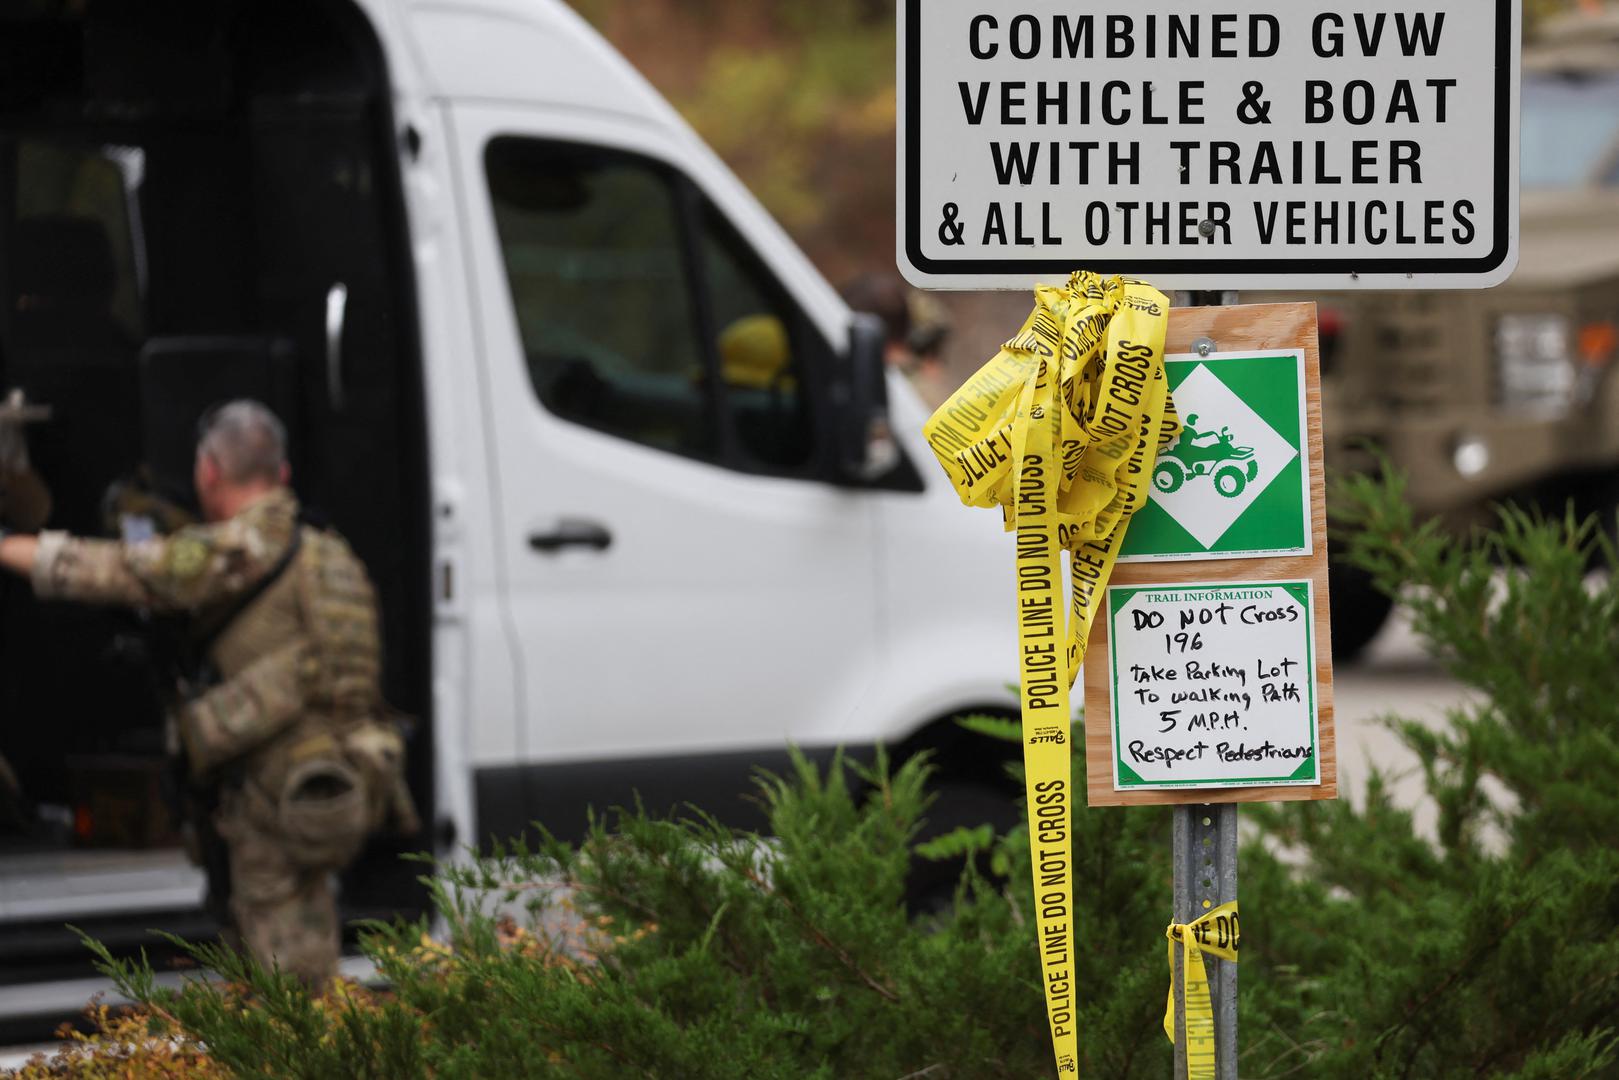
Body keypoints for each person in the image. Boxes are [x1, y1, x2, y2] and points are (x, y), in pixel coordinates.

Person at [0, 400, 414, 987]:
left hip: (272, 792)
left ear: (210, 472)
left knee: (285, 988)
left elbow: (117, 569)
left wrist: (7, 547)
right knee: (299, 956)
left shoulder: (237, 549)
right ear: (283, 473)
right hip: (334, 779)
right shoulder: (330, 552)